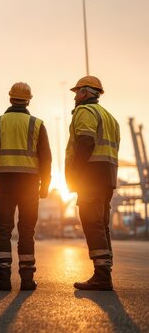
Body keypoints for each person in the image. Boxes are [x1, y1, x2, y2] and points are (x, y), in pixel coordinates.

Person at [0, 82, 52, 291]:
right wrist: (44, 186)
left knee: (3, 231)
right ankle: (27, 280)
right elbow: (46, 158)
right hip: (29, 184)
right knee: (26, 231)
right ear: (28, 100)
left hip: (3, 183)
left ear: (10, 98)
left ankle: (3, 279)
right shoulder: (37, 124)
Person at [65, 75, 120, 291]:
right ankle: (105, 271)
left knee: (91, 222)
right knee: (102, 224)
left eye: (77, 92)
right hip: (107, 176)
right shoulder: (109, 117)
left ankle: (102, 276)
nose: (75, 96)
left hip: (91, 176)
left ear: (86, 92)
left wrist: (78, 175)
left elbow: (85, 142)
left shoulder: (85, 112)